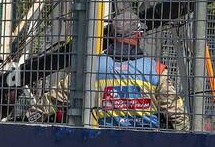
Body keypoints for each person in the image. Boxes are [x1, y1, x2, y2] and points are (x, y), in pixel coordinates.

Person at [31, 9, 188, 129]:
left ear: (112, 36)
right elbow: (177, 114)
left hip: (104, 144)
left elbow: (55, 97)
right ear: (139, 35)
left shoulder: (92, 67)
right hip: (146, 146)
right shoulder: (155, 70)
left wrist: (28, 120)